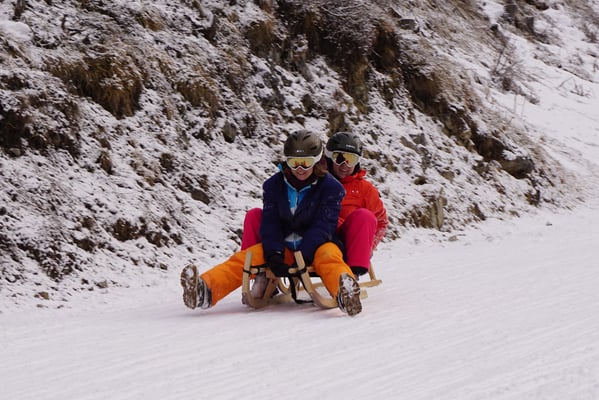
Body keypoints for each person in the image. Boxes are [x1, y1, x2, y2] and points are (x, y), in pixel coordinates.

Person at [180, 130, 363, 316]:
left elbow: (324, 225)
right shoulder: (274, 186)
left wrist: (305, 255)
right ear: (287, 161)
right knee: (245, 258)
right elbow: (270, 222)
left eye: (306, 162)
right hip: (284, 245)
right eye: (294, 162)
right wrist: (274, 254)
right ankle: (204, 290)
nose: (300, 168)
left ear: (316, 161)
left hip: (319, 245)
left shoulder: (331, 188)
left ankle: (345, 293)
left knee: (329, 257)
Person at [241, 131, 388, 277]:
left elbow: (381, 222)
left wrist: (368, 246)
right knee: (255, 216)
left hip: (340, 244)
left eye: (351, 159)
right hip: (307, 238)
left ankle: (350, 275)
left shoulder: (365, 190)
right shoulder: (312, 179)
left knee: (364, 216)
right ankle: (255, 270)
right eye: (339, 158)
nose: (344, 165)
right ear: (328, 157)